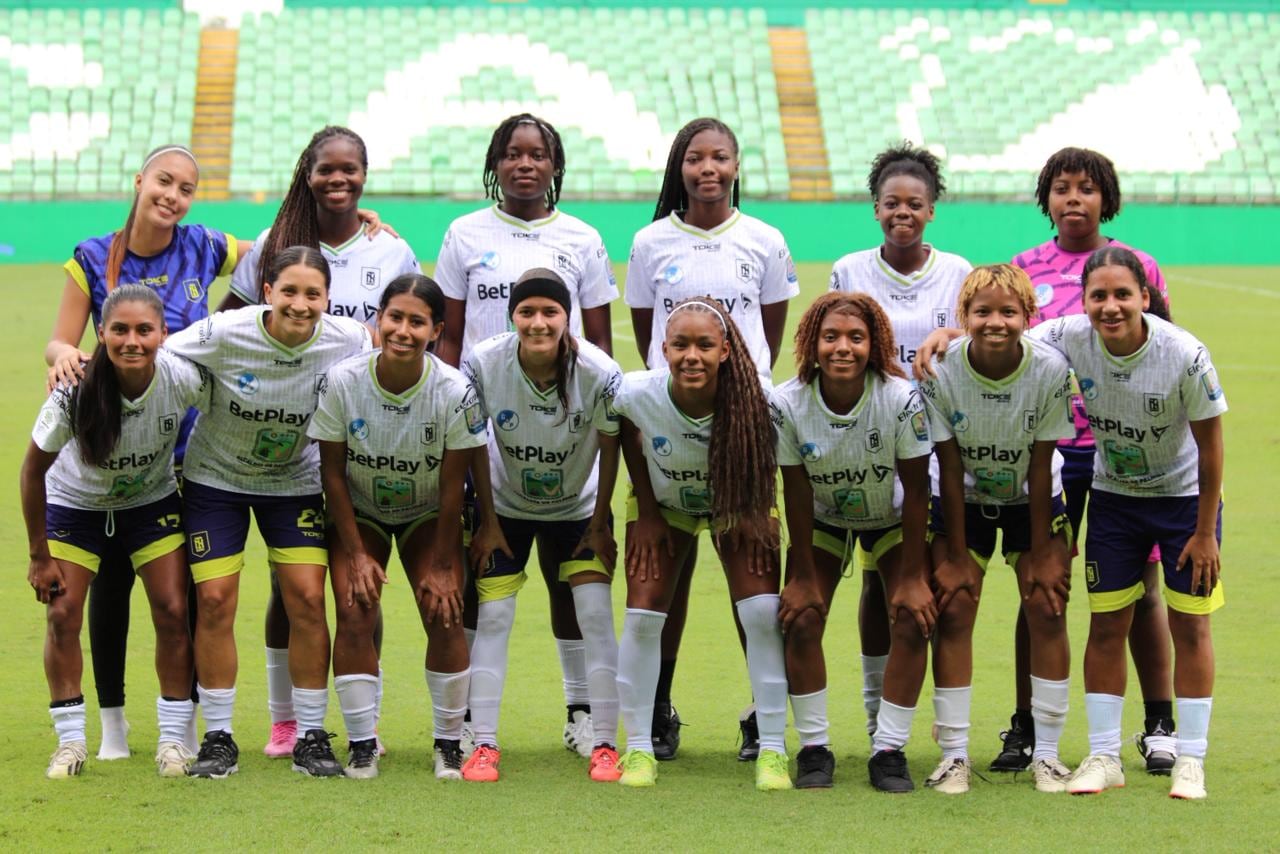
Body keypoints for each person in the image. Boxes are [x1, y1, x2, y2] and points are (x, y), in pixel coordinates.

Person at [223, 125, 417, 759]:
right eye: (326, 169)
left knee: (361, 587)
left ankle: (366, 724)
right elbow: (227, 324)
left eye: (349, 169)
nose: (338, 179)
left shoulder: (390, 250)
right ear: (306, 174)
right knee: (291, 590)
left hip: (361, 446)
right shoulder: (274, 246)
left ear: (365, 174)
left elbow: (414, 330)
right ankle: (286, 722)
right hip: (286, 448)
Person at [434, 114, 618, 756]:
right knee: (482, 586)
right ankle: (466, 719)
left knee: (571, 589)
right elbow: (449, 336)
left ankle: (582, 714)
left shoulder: (581, 237)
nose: (525, 164)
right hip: (486, 434)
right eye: (512, 154)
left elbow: (600, 339)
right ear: (496, 163)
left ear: (554, 165)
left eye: (537, 154)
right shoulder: (464, 232)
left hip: (564, 436)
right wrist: (450, 420)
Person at [43, 144, 234, 760]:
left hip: (184, 453)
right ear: (139, 180)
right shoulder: (93, 256)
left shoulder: (206, 246)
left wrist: (361, 224)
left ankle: (182, 725)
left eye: (185, 188)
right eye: (164, 181)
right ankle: (113, 724)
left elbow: (270, 251)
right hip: (114, 444)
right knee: (110, 589)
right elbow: (58, 342)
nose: (172, 196)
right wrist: (65, 358)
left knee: (180, 599)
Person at [994, 146, 1176, 776]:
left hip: (1126, 453)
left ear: (1107, 199)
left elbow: (1166, 353)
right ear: (1046, 199)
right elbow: (1007, 347)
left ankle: (1159, 725)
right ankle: (1026, 726)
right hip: (1052, 452)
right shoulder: (1024, 268)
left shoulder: (1138, 264)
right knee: (1040, 587)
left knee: (1142, 589)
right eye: (1062, 188)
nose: (1074, 199)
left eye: (1087, 188)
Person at [1017, 248, 1224, 800]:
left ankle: (1191, 760)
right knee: (1107, 625)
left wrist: (1205, 532)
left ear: (1145, 298)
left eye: (1122, 295)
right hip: (1115, 499)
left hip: (1184, 504)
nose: (1110, 307)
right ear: (1083, 301)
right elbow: (1005, 335)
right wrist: (949, 338)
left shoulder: (1184, 354)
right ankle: (1105, 755)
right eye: (1099, 296)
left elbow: (1211, 446)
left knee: (1190, 626)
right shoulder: (1068, 335)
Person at [624, 117, 799, 759]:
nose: (707, 169)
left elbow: (766, 336)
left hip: (742, 434)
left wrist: (738, 392)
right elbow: (648, 333)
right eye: (695, 158)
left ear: (735, 166)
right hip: (669, 424)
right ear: (680, 167)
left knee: (751, 580)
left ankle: (760, 714)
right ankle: (657, 709)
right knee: (660, 578)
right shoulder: (649, 242)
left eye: (719, 157)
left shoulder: (764, 240)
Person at [165, 246, 371, 779]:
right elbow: (160, 354)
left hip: (294, 482)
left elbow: (376, 371)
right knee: (214, 601)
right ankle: (218, 739)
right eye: (289, 292)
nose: (300, 304)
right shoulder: (225, 331)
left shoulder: (349, 338)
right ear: (267, 292)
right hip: (217, 479)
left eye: (313, 294)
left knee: (307, 598)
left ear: (328, 298)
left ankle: (310, 737)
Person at [904, 265, 1078, 796]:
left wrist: (1044, 550)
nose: (995, 322)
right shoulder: (941, 370)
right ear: (964, 315)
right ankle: (954, 755)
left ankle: (1047, 754)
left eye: (1008, 312)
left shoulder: (1050, 368)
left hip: (1033, 497)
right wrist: (956, 554)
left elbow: (1042, 462)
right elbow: (949, 462)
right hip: (964, 499)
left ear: (1028, 316)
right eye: (982, 312)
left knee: (1047, 605)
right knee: (955, 607)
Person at [23, 285, 209, 778]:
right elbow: (31, 471)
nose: (132, 341)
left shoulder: (182, 378)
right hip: (76, 507)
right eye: (120, 330)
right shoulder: (74, 388)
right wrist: (39, 555)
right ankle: (70, 743)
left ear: (163, 333)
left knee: (173, 610)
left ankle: (173, 742)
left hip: (150, 504)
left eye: (144, 330)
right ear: (101, 332)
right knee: (62, 616)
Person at [308, 273, 484, 780]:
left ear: (436, 331)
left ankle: (448, 744)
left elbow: (453, 487)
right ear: (378, 319)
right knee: (354, 609)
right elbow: (332, 474)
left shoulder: (454, 390)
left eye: (417, 322)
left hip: (427, 512)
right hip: (360, 510)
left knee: (445, 613)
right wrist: (356, 554)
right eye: (395, 318)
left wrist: (445, 565)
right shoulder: (343, 381)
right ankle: (362, 743)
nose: (403, 331)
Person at [612, 297, 787, 791]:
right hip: (666, 504)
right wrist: (647, 512)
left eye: (705, 345)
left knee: (761, 611)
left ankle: (773, 749)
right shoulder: (637, 392)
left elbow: (776, 456)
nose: (692, 356)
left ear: (725, 351)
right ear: (663, 349)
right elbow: (623, 429)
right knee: (643, 614)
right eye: (681, 345)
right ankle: (639, 747)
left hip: (736, 503)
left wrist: (756, 509)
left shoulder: (760, 399)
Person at [827, 142, 972, 742]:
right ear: (876, 209)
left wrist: (952, 333)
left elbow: (980, 334)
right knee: (877, 581)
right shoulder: (850, 270)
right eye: (891, 203)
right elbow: (836, 337)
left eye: (914, 203)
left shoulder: (958, 271)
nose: (902, 212)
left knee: (935, 585)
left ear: (931, 210)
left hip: (941, 447)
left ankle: (943, 722)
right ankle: (875, 711)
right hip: (873, 449)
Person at [462, 269, 624, 783]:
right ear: (512, 315)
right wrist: (487, 520)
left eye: (550, 312)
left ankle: (599, 737)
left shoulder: (598, 370)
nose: (538, 322)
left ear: (566, 316)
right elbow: (472, 441)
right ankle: (481, 740)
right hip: (505, 505)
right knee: (494, 616)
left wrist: (600, 522)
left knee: (593, 614)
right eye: (526, 311)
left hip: (579, 508)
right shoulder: (484, 362)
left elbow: (612, 445)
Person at [773, 292, 932, 789]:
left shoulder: (899, 398)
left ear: (875, 344)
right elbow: (796, 490)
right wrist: (801, 575)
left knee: (912, 618)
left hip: (890, 516)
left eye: (856, 338)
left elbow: (918, 489)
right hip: (824, 517)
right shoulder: (787, 402)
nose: (843, 347)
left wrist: (913, 576)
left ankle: (889, 750)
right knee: (801, 617)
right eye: (831, 337)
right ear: (812, 343)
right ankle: (814, 748)